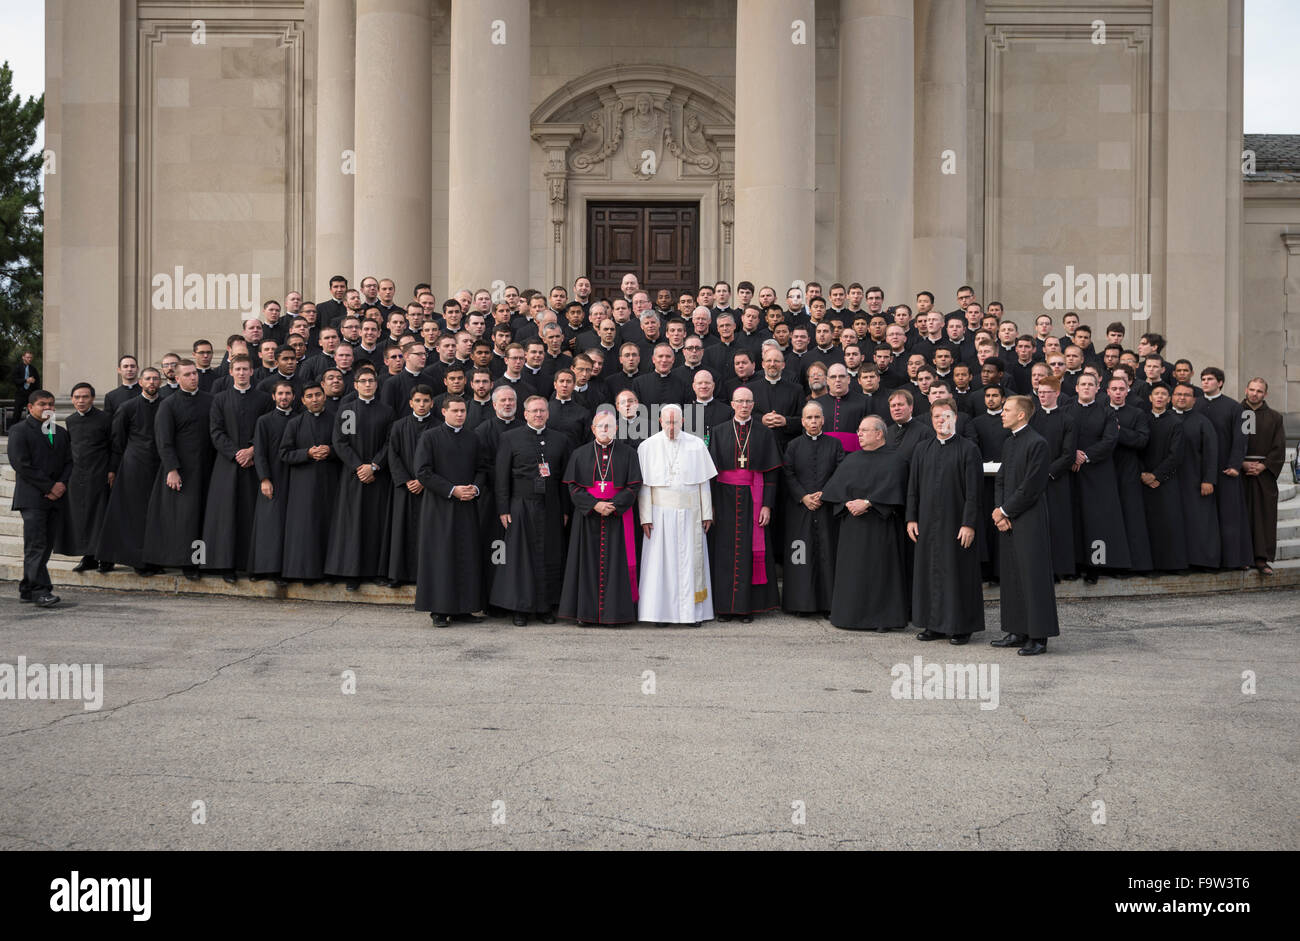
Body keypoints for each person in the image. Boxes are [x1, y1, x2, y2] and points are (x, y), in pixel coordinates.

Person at [906, 401, 984, 644]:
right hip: (927, 524)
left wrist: (968, 523)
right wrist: (911, 518)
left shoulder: (969, 449)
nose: (941, 420)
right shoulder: (921, 449)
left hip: (956, 523)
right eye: (937, 416)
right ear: (931, 420)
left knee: (957, 574)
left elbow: (974, 492)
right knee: (929, 573)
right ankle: (934, 624)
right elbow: (913, 488)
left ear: (955, 418)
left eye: (946, 416)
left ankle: (961, 626)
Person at [823, 416, 909, 632]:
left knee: (880, 574)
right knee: (852, 574)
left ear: (879, 433)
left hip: (881, 528)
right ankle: (849, 617)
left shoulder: (896, 460)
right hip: (852, 528)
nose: (858, 434)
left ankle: (882, 620)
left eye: (863, 430)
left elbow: (898, 492)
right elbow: (835, 490)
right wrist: (847, 503)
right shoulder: (851, 460)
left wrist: (869, 503)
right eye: (859, 430)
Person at [492, 396, 573, 625]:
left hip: (551, 506)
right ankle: (521, 609)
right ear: (525, 414)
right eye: (534, 411)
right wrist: (503, 508)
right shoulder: (509, 438)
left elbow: (564, 479)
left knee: (549, 556)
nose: (538, 415)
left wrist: (564, 509)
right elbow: (501, 476)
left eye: (542, 411)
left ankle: (545, 607)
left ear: (548, 413)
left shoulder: (560, 439)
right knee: (521, 559)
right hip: (521, 505)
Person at [559, 409, 644, 626]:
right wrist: (594, 505)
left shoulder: (628, 453)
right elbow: (573, 486)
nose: (605, 430)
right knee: (586, 564)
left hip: (618, 516)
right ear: (593, 429)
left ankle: (616, 614)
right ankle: (585, 614)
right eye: (601, 426)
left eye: (609, 426)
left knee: (617, 565)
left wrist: (614, 505)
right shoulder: (579, 454)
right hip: (588, 517)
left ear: (616, 429)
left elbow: (634, 485)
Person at [636, 404, 717, 625]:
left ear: (682, 422)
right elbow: (644, 487)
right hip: (659, 514)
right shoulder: (647, 446)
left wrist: (706, 513)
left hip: (691, 513)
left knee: (691, 562)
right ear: (660, 421)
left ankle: (692, 614)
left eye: (675, 422)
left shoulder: (696, 445)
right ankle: (661, 613)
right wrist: (646, 517)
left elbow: (704, 483)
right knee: (661, 564)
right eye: (667, 422)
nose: (671, 426)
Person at [990, 395, 1059, 655]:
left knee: (1033, 576)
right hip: (1007, 519)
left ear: (1021, 415)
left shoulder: (1037, 443)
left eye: (1006, 410)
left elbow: (1032, 486)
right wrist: (999, 512)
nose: (1001, 413)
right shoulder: (1009, 443)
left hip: (1029, 518)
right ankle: (1017, 630)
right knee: (1012, 575)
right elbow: (1001, 479)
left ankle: (1038, 636)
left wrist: (1006, 509)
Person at [707, 387, 782, 621]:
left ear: (753, 404)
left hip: (753, 500)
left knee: (749, 551)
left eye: (748, 401)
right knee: (725, 553)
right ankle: (725, 608)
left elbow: (771, 474)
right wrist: (712, 508)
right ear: (732, 404)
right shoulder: (719, 432)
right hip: (724, 499)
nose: (744, 405)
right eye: (740, 401)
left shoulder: (764, 432)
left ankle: (746, 608)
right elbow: (711, 474)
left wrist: (767, 506)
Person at [413, 394, 487, 626]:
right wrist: (452, 490)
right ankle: (439, 610)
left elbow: (482, 468)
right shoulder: (430, 436)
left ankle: (464, 608)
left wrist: (474, 488)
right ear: (444, 412)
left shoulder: (473, 438)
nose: (459, 415)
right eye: (455, 411)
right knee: (441, 557)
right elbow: (423, 472)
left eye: (463, 411)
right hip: (439, 506)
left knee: (466, 555)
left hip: (467, 505)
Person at [201, 355, 272, 582]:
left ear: (252, 372)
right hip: (227, 466)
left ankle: (252, 565)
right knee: (226, 516)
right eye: (238, 369)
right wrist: (235, 453)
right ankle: (226, 566)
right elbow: (216, 431)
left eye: (245, 369)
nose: (242, 373)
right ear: (230, 372)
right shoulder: (219, 399)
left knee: (252, 514)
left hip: (254, 464)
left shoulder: (263, 399)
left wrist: (251, 450)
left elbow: (267, 429)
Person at [143, 360, 214, 579]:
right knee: (186, 519)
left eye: (195, 374)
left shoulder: (211, 400)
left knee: (204, 516)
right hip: (182, 470)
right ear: (177, 378)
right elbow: (164, 441)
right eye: (188, 375)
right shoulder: (169, 404)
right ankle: (188, 563)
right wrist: (172, 469)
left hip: (207, 467)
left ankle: (202, 561)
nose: (193, 377)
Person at [325, 366, 395, 590]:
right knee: (353, 524)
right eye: (363, 381)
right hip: (353, 476)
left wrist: (374, 466)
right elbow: (341, 442)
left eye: (371, 381)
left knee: (376, 524)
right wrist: (359, 467)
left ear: (376, 384)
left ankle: (376, 571)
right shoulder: (347, 411)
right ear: (355, 385)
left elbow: (390, 443)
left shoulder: (387, 411)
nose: (367, 384)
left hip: (378, 476)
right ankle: (352, 574)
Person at [7, 390, 74, 606]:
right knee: (36, 545)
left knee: (45, 547)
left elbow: (69, 461)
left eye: (52, 405)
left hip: (56, 497)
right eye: (43, 404)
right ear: (30, 407)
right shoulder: (19, 431)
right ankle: (40, 591)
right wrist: (49, 486)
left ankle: (27, 587)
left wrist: (61, 485)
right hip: (33, 497)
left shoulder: (60, 432)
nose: (49, 408)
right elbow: (21, 464)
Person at [779, 401, 843, 616]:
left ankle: (828, 604)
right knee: (801, 555)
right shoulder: (793, 446)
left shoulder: (834, 444)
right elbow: (788, 474)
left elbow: (840, 472)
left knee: (827, 554)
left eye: (817, 417)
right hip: (800, 511)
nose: (813, 422)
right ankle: (801, 604)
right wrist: (803, 496)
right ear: (803, 421)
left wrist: (825, 493)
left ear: (823, 420)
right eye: (809, 418)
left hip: (826, 509)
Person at [96, 367, 163, 574]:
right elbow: (118, 440)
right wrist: (113, 469)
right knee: (135, 514)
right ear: (141, 382)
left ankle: (154, 558)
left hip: (160, 466)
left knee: (156, 514)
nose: (152, 382)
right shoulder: (127, 407)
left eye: (155, 378)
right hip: (133, 466)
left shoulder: (166, 405)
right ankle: (137, 561)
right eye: (148, 379)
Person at [1068, 372, 1130, 582]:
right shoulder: (1066, 410)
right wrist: (1072, 454)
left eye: (1090, 384)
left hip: (1098, 472)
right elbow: (1060, 436)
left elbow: (1110, 440)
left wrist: (1085, 456)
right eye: (1083, 384)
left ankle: (1096, 565)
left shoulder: (1107, 413)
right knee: (1074, 519)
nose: (1086, 387)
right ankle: (1074, 564)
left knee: (1097, 521)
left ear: (1097, 389)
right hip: (1071, 472)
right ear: (1076, 388)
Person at [279, 383, 341, 583]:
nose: (314, 399)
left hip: (330, 482)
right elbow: (284, 453)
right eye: (309, 396)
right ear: (303, 400)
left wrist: (330, 451)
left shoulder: (337, 420)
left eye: (317, 395)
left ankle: (331, 572)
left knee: (330, 527)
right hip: (303, 485)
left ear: (324, 396)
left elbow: (346, 447)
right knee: (306, 529)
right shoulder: (294, 424)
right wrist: (307, 453)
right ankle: (306, 573)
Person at [1196, 367, 1252, 569]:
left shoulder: (1235, 408)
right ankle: (1208, 561)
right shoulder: (1196, 404)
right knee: (1205, 518)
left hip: (1226, 470)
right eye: (1202, 379)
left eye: (1209, 379)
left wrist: (1235, 465)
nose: (1205, 382)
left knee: (1230, 517)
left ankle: (1235, 560)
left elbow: (1241, 439)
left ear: (1220, 382)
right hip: (1200, 472)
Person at [385, 385, 437, 587]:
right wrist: (407, 480)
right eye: (418, 401)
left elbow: (439, 458)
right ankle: (398, 574)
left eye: (425, 400)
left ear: (432, 402)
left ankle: (425, 574)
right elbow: (393, 454)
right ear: (410, 403)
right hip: (405, 487)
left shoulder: (438, 426)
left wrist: (424, 481)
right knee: (401, 530)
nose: (422, 404)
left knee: (428, 530)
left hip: (429, 488)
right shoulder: (399, 426)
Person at [246, 381, 297, 583]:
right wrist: (264, 478)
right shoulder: (264, 421)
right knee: (269, 524)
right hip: (272, 477)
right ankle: (261, 569)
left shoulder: (299, 419)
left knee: (288, 525)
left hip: (293, 479)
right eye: (280, 394)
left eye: (288, 393)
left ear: (294, 396)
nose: (284, 397)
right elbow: (260, 452)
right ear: (274, 397)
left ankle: (283, 571)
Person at [1029, 376, 1077, 579]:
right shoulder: (1032, 418)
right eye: (1039, 392)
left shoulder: (1068, 420)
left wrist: (1048, 472)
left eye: (1046, 392)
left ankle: (1060, 569)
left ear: (1056, 393)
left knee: (1058, 523)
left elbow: (1069, 453)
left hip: (1057, 479)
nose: (1041, 395)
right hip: (1033, 480)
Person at [1138, 383, 1188, 573]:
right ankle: (1147, 565)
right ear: (1150, 398)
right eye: (1156, 394)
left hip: (1165, 480)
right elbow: (1136, 448)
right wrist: (1143, 473)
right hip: (1142, 479)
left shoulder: (1176, 422)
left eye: (1163, 394)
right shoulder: (1142, 420)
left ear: (1169, 399)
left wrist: (1157, 475)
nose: (1159, 397)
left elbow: (1176, 455)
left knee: (1168, 523)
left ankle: (1169, 565)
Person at [65, 382, 114, 573]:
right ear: (71, 400)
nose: (81, 401)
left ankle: (106, 558)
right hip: (78, 477)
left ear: (92, 399)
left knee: (100, 517)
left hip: (101, 474)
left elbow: (114, 446)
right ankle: (89, 557)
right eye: (77, 397)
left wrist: (112, 470)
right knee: (82, 518)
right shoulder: (70, 420)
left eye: (85, 397)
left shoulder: (105, 419)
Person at [1170, 383, 1220, 570]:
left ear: (1194, 399)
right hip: (1169, 482)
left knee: (1198, 522)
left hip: (1195, 481)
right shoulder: (1164, 418)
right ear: (1171, 397)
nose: (1182, 398)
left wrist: (1208, 479)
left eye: (1186, 395)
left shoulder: (1202, 422)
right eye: (1178, 394)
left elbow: (1211, 452)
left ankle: (1201, 561)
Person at [1106, 375, 1153, 574]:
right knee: (1108, 517)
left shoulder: (1137, 413)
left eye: (1121, 389)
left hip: (1128, 469)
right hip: (1105, 469)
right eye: (1114, 389)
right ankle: (1109, 564)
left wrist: (1118, 431)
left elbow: (1142, 440)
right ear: (1107, 391)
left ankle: (1135, 564)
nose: (1117, 392)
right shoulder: (1101, 411)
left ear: (1127, 391)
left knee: (1131, 516)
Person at [1241, 377, 1286, 575]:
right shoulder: (1235, 412)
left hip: (1263, 474)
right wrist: (1240, 462)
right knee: (1240, 516)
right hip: (1239, 473)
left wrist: (1263, 466)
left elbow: (1279, 447)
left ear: (1265, 394)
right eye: (1252, 389)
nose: (1254, 394)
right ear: (1246, 390)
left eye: (1259, 391)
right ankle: (1241, 557)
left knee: (1263, 517)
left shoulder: (1275, 417)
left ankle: (1261, 559)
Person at [9, 350, 39, 427]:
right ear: (23, 357)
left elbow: (37, 382)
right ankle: (13, 429)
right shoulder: (17, 368)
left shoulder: (33, 369)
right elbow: (14, 380)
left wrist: (33, 381)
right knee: (17, 413)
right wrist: (26, 380)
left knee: (31, 412)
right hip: (20, 394)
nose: (29, 359)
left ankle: (31, 429)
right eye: (28, 357)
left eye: (31, 357)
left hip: (30, 394)